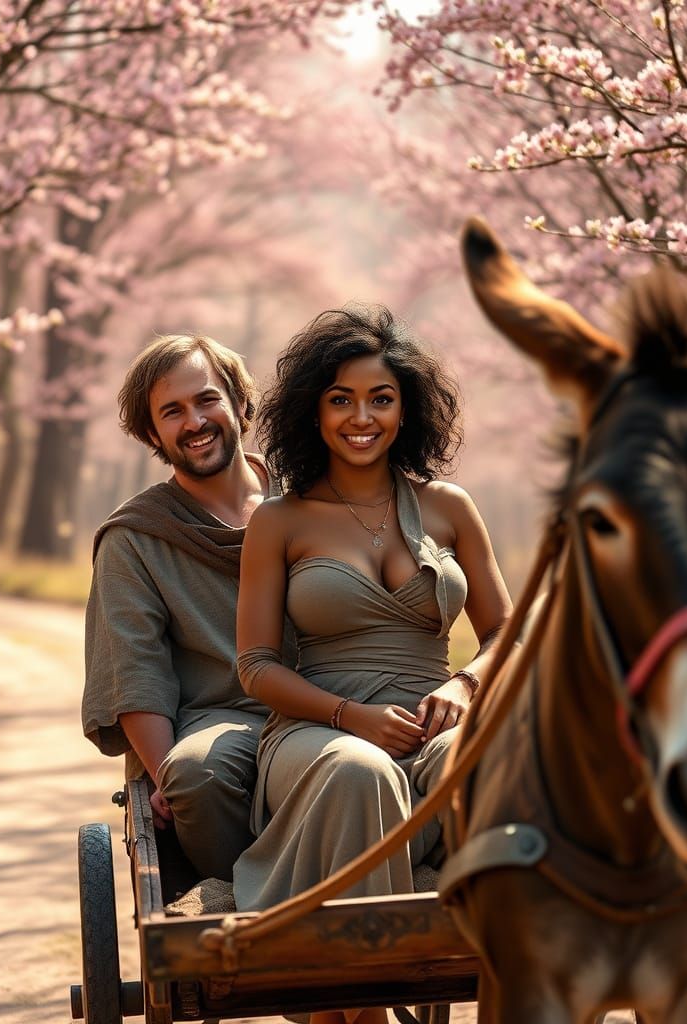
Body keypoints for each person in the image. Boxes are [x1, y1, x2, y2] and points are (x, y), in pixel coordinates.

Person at [233, 304, 512, 936]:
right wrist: (350, 718)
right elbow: (254, 666)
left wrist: (465, 685)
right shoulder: (279, 520)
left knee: (488, 755)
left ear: (406, 408)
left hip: (427, 723)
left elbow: (507, 633)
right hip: (317, 735)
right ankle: (365, 991)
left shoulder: (449, 508)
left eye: (380, 399)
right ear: (315, 410)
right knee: (362, 771)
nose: (362, 418)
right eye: (341, 400)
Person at [82, 333, 291, 882]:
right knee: (196, 774)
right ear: (153, 433)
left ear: (240, 404)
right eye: (172, 412)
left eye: (206, 400)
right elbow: (134, 669)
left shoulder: (308, 499)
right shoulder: (135, 538)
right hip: (215, 722)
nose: (194, 422)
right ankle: (242, 911)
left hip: (331, 699)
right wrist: (164, 773)